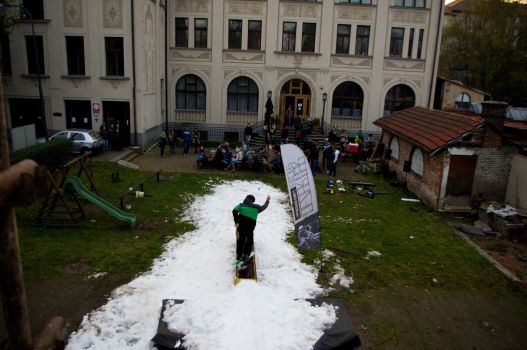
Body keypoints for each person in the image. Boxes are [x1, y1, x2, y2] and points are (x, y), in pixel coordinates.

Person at [232, 194, 271, 261]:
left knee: (241, 240)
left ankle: (239, 255)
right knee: (249, 240)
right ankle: (246, 254)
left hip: (241, 226)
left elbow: (234, 210)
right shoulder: (256, 207)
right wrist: (267, 200)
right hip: (250, 227)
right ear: (252, 201)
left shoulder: (241, 205)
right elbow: (264, 207)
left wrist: (236, 222)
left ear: (245, 199)